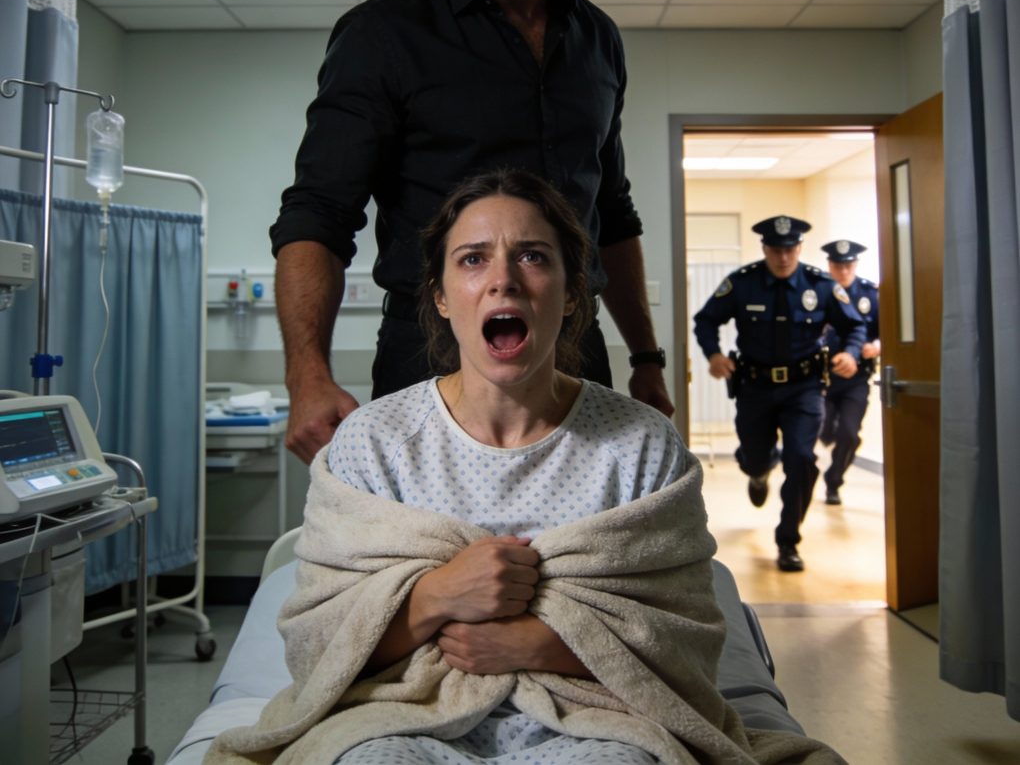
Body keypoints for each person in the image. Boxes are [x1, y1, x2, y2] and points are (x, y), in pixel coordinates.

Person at [209, 171, 842, 764]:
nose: (503, 280)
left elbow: (687, 639)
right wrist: (433, 597)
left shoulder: (641, 447)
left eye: (533, 256)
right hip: (398, 718)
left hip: (601, 721)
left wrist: (548, 644)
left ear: (571, 295)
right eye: (472, 259)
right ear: (442, 297)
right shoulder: (374, 444)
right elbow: (317, 643)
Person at [269, 0, 671, 465]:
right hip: (432, 353)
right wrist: (306, 376)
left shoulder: (597, 40)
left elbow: (612, 211)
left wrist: (646, 358)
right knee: (433, 537)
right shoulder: (384, 34)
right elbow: (318, 213)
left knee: (592, 532)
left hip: (575, 350)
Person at [692, 216, 866, 573]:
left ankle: (788, 541)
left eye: (789, 250)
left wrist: (851, 352)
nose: (783, 257)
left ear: (799, 248)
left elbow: (854, 326)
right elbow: (705, 320)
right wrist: (714, 355)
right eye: (775, 250)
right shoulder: (743, 283)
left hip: (805, 389)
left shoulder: (821, 285)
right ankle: (759, 471)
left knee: (802, 459)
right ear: (765, 248)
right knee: (755, 456)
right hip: (755, 388)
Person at [817, 240, 880, 506]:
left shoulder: (870, 295)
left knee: (849, 434)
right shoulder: (818, 292)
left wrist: (877, 347)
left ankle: (834, 481)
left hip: (856, 379)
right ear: (830, 266)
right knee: (822, 430)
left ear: (855, 265)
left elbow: (886, 331)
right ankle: (826, 432)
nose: (843, 271)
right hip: (823, 378)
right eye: (838, 266)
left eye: (848, 266)